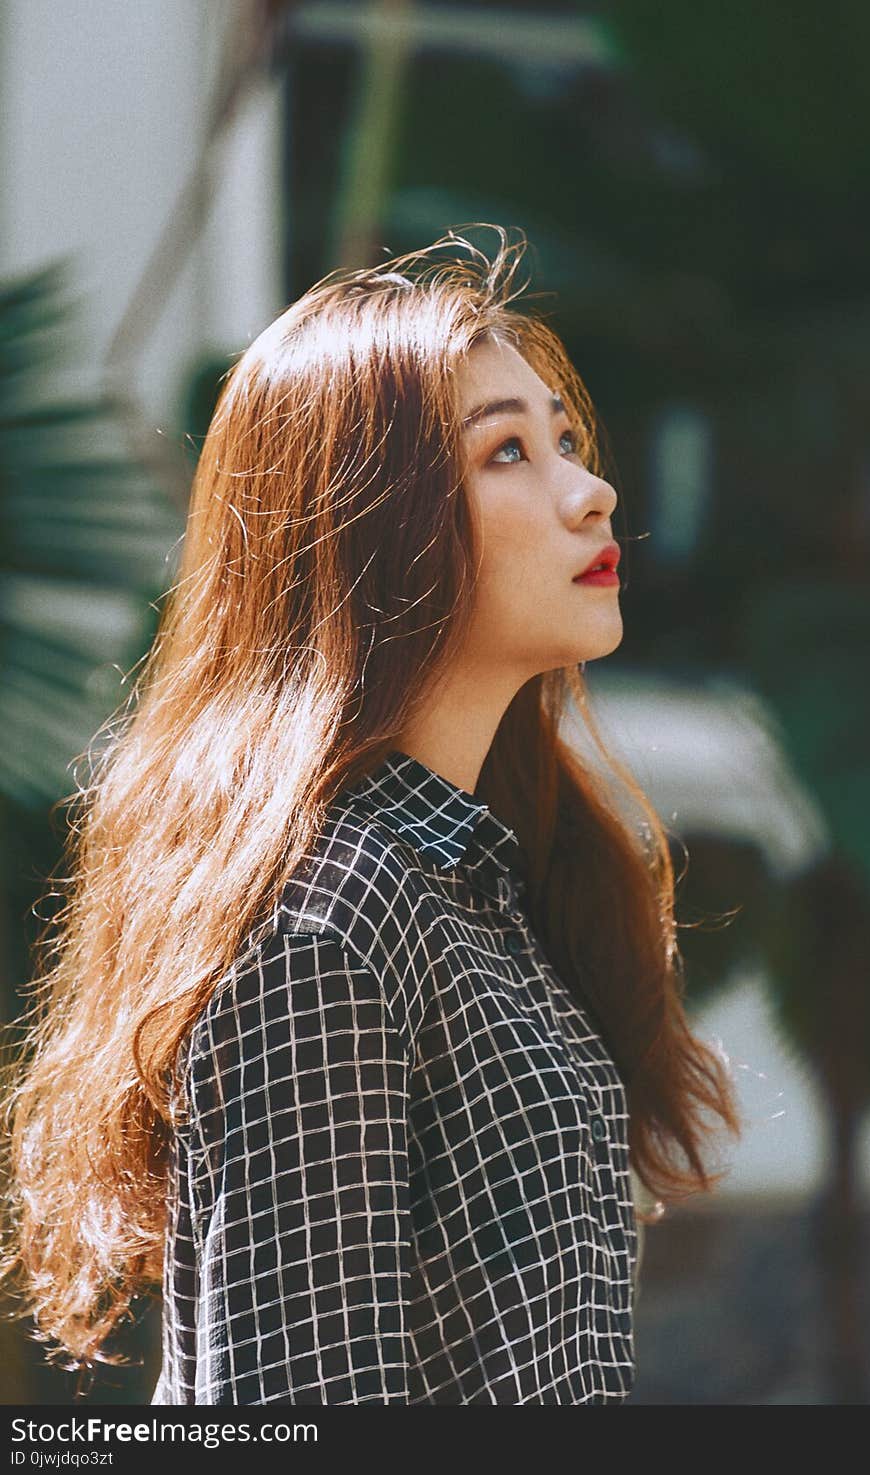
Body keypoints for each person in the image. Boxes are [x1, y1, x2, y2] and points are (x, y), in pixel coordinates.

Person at [0, 226, 740, 1405]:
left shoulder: (479, 877)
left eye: (563, 438)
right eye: (507, 452)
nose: (589, 488)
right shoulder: (330, 919)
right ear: (370, 529)